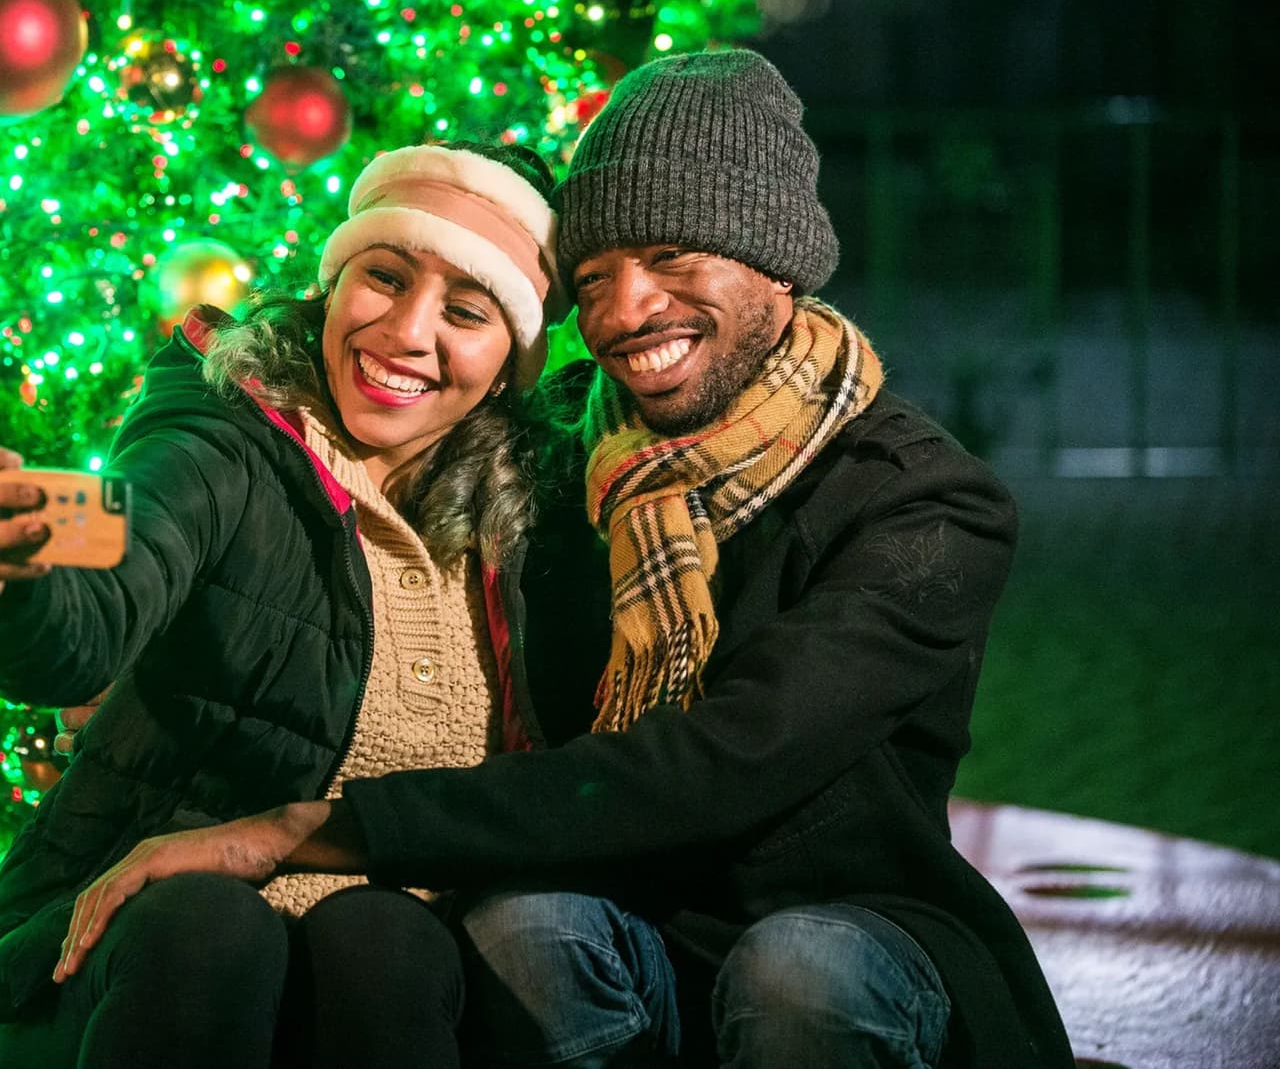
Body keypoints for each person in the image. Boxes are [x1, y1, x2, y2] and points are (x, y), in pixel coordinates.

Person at [58, 52, 1074, 1068]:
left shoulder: (923, 502)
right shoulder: (546, 456)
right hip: (619, 915)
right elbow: (290, 446)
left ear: (775, 259)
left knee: (794, 971)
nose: (628, 314)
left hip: (846, 931)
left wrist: (308, 828)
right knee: (523, 925)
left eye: (675, 258)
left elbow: (727, 759)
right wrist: (44, 570)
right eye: (593, 280)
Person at [0, 140, 566, 1068]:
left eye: (464, 311)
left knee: (387, 940)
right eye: (383, 276)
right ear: (333, 285)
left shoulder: (528, 523)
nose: (408, 331)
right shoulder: (218, 431)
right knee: (213, 927)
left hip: (371, 996)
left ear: (509, 363)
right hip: (151, 973)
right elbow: (105, 582)